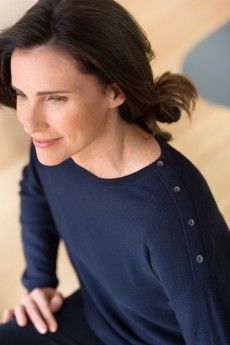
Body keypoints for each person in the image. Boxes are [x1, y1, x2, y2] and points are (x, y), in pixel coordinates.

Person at [0, 0, 229, 344]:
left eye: (55, 99)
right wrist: (39, 282)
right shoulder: (56, 147)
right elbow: (35, 191)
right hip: (96, 320)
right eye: (21, 94)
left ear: (114, 90)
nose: (30, 122)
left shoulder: (169, 216)